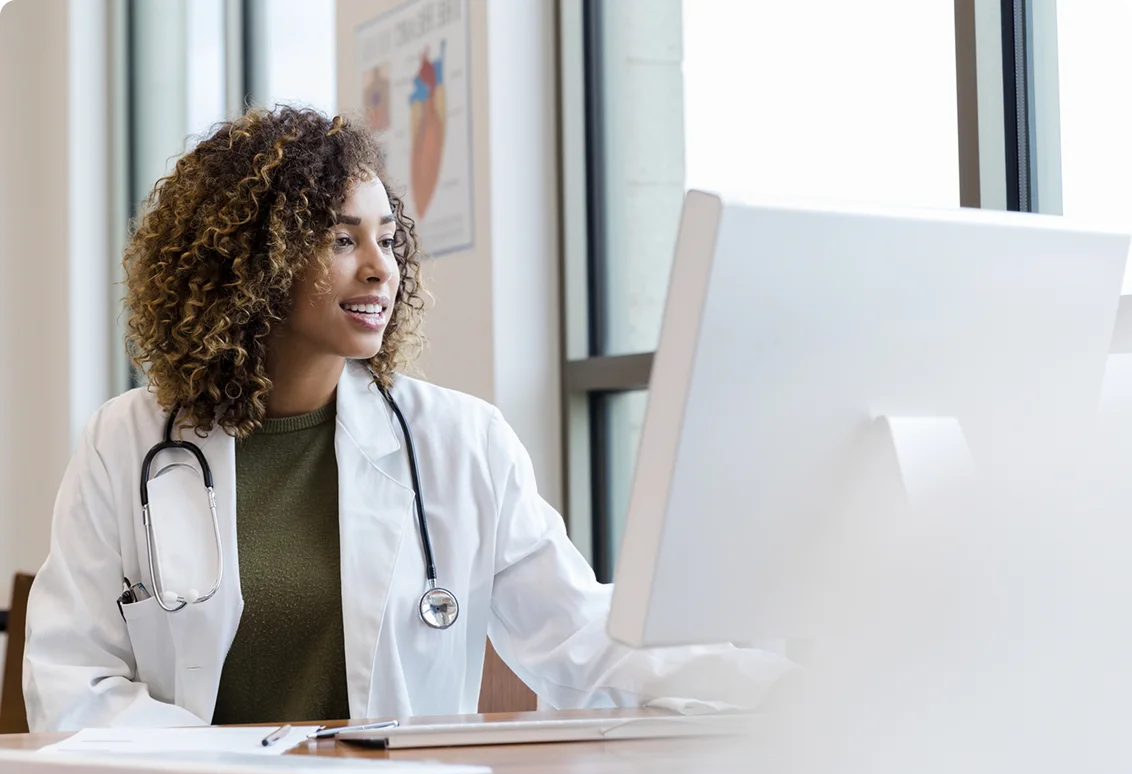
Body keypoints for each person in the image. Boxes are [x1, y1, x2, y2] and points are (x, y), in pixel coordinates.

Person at [22, 106, 794, 731]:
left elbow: (586, 641)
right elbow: (70, 683)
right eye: (340, 239)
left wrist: (786, 683)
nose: (380, 267)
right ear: (254, 262)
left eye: (387, 238)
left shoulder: (462, 442)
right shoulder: (125, 444)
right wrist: (246, 772)